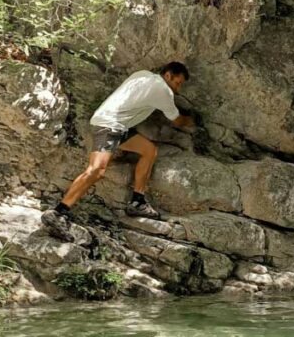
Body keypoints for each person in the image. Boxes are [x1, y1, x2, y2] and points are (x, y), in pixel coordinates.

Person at [41, 62, 194, 238]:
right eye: (177, 83)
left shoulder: (143, 74)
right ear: (167, 75)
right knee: (96, 170)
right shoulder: (163, 90)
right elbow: (177, 120)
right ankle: (59, 212)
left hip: (118, 126)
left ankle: (138, 201)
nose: (178, 88)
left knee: (149, 150)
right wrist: (191, 120)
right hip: (110, 125)